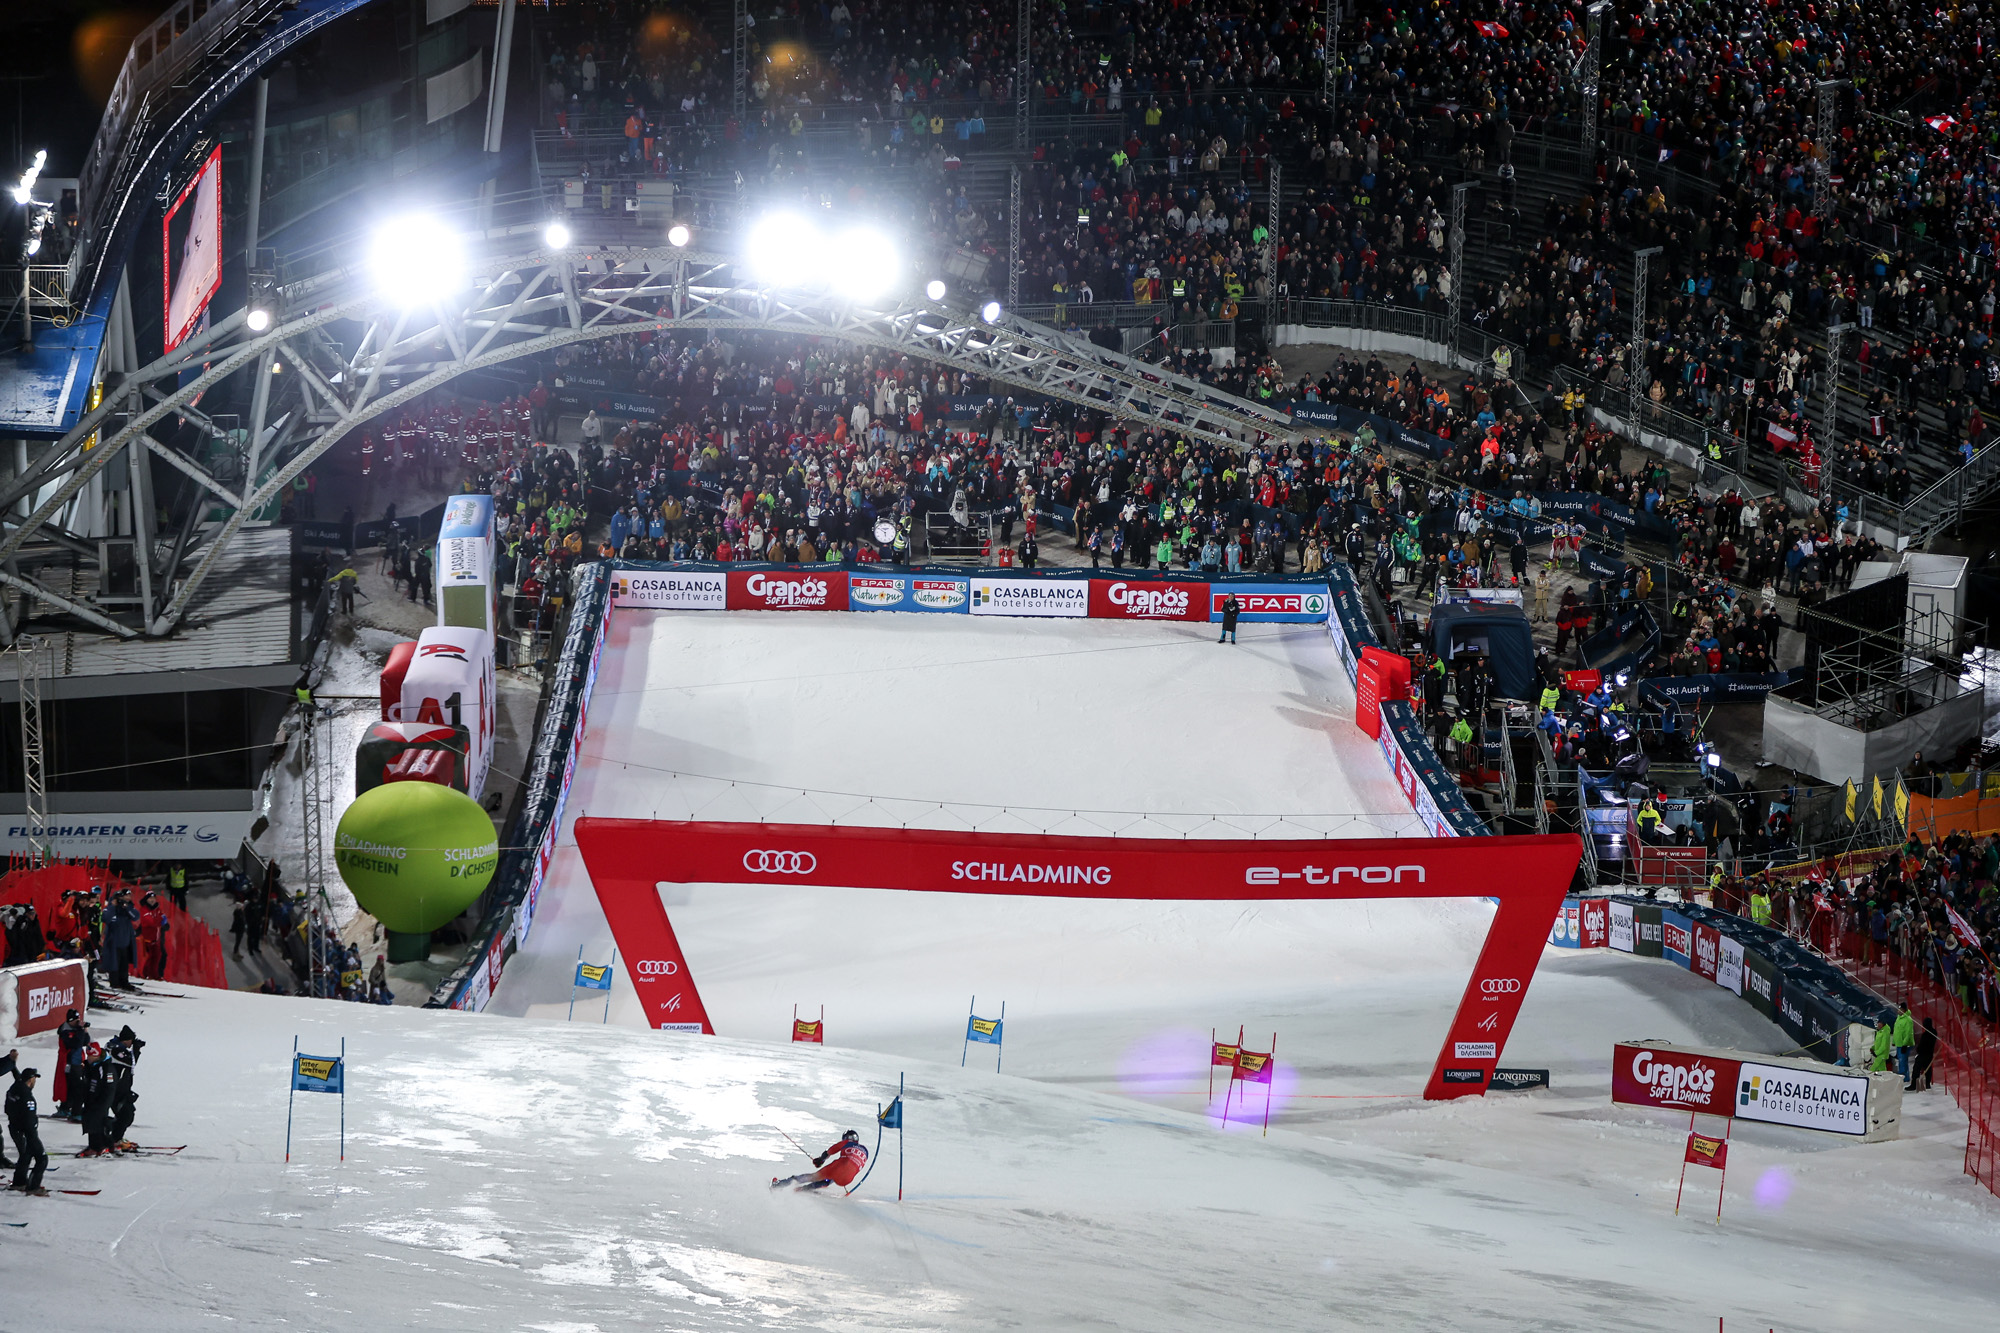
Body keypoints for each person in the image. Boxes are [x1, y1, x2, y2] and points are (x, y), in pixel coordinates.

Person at [4, 1053, 48, 1195]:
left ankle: (19, 1182)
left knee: (25, 1155)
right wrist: (32, 1135)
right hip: (27, 1131)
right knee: (42, 1159)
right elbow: (29, 1119)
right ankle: (33, 1187)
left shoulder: (14, 1088)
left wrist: (13, 1065)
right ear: (30, 1080)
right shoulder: (27, 1097)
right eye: (35, 1078)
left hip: (14, 1128)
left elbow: (7, 1108)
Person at [772, 1129, 869, 1192]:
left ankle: (778, 1185)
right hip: (847, 1180)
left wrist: (820, 1161)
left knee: (812, 1177)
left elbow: (829, 1151)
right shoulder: (865, 1151)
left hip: (837, 1168)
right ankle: (803, 1190)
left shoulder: (846, 1143)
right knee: (828, 1180)